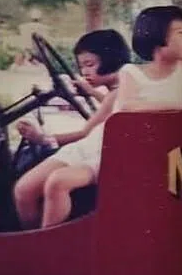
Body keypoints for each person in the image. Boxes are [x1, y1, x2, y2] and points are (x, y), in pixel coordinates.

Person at [24, 6, 182, 230]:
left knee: (57, 181)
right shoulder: (130, 73)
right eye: (181, 33)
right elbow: (126, 106)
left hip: (133, 153)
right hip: (110, 148)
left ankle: (49, 249)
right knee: (32, 187)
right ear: (155, 36)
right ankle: (41, 246)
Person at [13, 29, 131, 227]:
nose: (84, 72)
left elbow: (85, 132)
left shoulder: (121, 91)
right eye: (81, 66)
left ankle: (38, 242)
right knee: (24, 189)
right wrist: (93, 92)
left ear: (111, 59)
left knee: (23, 191)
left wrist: (41, 138)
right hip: (88, 148)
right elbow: (112, 105)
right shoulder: (118, 91)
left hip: (92, 151)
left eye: (90, 64)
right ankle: (33, 239)